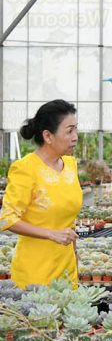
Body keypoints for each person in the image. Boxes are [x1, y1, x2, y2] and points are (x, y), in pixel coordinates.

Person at [0, 100, 81, 289]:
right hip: (35, 272)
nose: (75, 137)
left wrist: (75, 257)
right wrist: (51, 234)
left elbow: (69, 222)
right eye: (69, 131)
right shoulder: (25, 169)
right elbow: (7, 219)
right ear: (48, 136)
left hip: (67, 270)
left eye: (76, 129)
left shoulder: (70, 165)